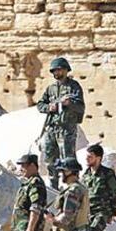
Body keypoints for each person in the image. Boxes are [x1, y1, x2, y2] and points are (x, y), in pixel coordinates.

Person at [36, 57, 85, 190]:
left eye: (59, 70)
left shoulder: (74, 87)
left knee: (68, 161)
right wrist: (49, 107)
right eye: (54, 70)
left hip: (66, 129)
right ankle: (53, 188)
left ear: (65, 70)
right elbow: (40, 105)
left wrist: (69, 104)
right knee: (50, 160)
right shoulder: (50, 89)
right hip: (51, 128)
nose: (56, 73)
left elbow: (81, 107)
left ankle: (72, 188)